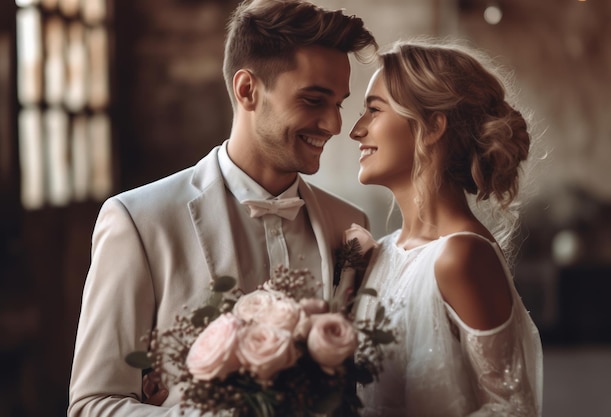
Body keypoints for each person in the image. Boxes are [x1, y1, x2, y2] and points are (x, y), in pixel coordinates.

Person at [68, 0, 377, 415]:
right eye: (313, 100)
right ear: (247, 89)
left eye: (338, 103)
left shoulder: (350, 224)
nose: (335, 125)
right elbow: (92, 404)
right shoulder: (138, 222)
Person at [350, 38, 543, 416]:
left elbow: (512, 409)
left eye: (374, 110)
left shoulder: (461, 256)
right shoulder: (381, 253)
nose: (356, 130)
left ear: (433, 125)